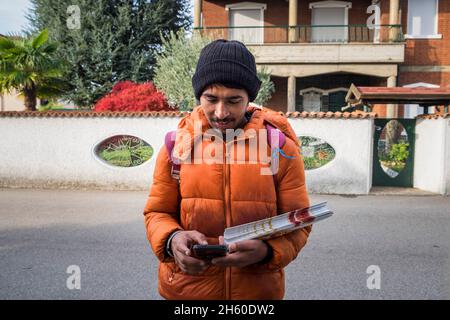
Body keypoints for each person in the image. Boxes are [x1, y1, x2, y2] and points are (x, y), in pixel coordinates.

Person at [143, 39, 311, 300]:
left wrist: (268, 251)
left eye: (233, 100)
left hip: (257, 295)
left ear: (249, 99)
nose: (221, 112)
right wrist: (171, 240)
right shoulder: (176, 147)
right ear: (199, 96)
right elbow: (157, 212)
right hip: (186, 291)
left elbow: (298, 222)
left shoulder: (280, 149)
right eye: (211, 99)